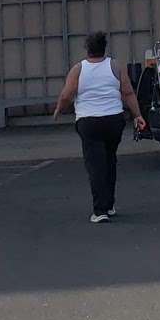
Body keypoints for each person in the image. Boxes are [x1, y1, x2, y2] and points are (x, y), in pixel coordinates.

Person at [51, 31, 146, 223]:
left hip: (89, 122)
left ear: (87, 49)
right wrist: (137, 115)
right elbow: (128, 93)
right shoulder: (115, 66)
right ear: (104, 48)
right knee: (109, 162)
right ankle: (109, 204)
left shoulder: (78, 70)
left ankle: (100, 210)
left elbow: (66, 95)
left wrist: (58, 111)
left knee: (95, 166)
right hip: (113, 120)